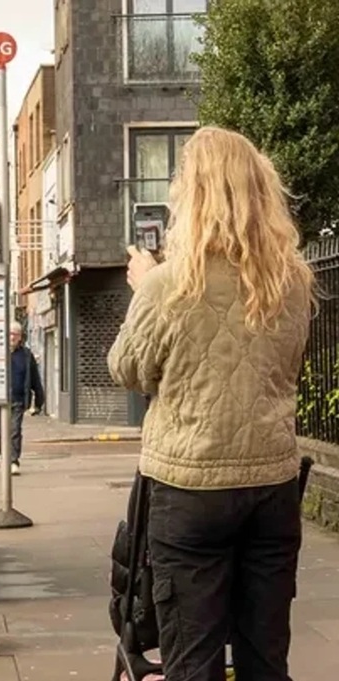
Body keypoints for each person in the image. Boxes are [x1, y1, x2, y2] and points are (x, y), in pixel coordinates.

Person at [107, 126, 315, 681]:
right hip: (271, 485)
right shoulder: (293, 283)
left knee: (191, 659)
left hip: (189, 488)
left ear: (192, 197)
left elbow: (128, 369)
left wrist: (147, 284)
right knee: (265, 656)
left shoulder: (168, 285)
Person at [0, 321, 44, 475]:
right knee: (1, 432)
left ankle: (13, 461)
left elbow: (35, 379)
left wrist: (39, 401)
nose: (12, 337)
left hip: (17, 400)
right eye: (10, 333)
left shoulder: (26, 355)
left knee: (14, 430)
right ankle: (4, 458)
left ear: (20, 337)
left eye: (15, 334)